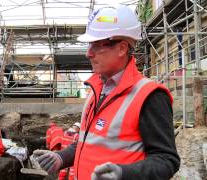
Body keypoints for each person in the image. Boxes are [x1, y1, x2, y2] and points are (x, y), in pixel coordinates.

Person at [33, 5, 180, 180]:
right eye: (89, 45)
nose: (88, 53)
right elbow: (88, 143)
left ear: (122, 48)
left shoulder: (149, 96)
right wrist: (60, 157)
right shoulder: (96, 90)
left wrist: (125, 174)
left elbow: (166, 160)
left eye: (96, 45)